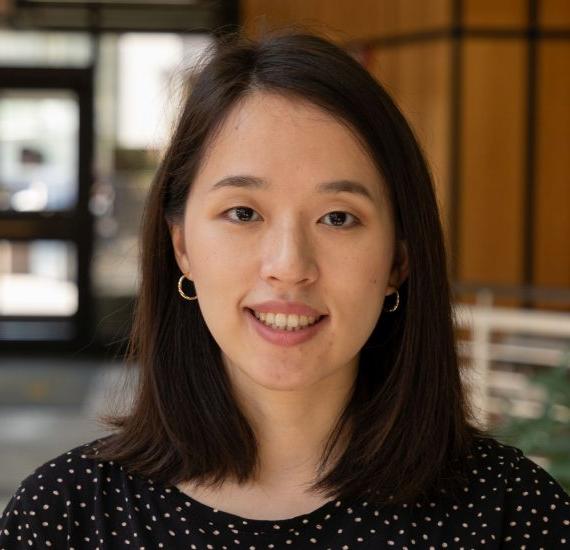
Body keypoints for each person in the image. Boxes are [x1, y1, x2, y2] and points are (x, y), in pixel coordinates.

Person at [1, 30, 569, 550]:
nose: (289, 266)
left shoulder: (513, 515)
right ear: (182, 247)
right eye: (244, 212)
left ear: (399, 257)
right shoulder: (69, 515)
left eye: (339, 218)